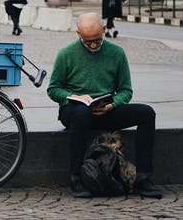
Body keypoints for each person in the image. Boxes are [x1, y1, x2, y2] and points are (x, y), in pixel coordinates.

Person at [47, 12, 162, 199]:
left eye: (97, 40)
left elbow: (126, 90)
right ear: (78, 34)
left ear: (103, 30)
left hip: (106, 110)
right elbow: (53, 89)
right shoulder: (66, 54)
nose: (93, 45)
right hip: (75, 111)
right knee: (81, 113)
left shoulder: (117, 53)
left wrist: (113, 104)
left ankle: (143, 178)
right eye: (87, 42)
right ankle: (76, 178)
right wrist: (72, 96)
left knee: (147, 113)